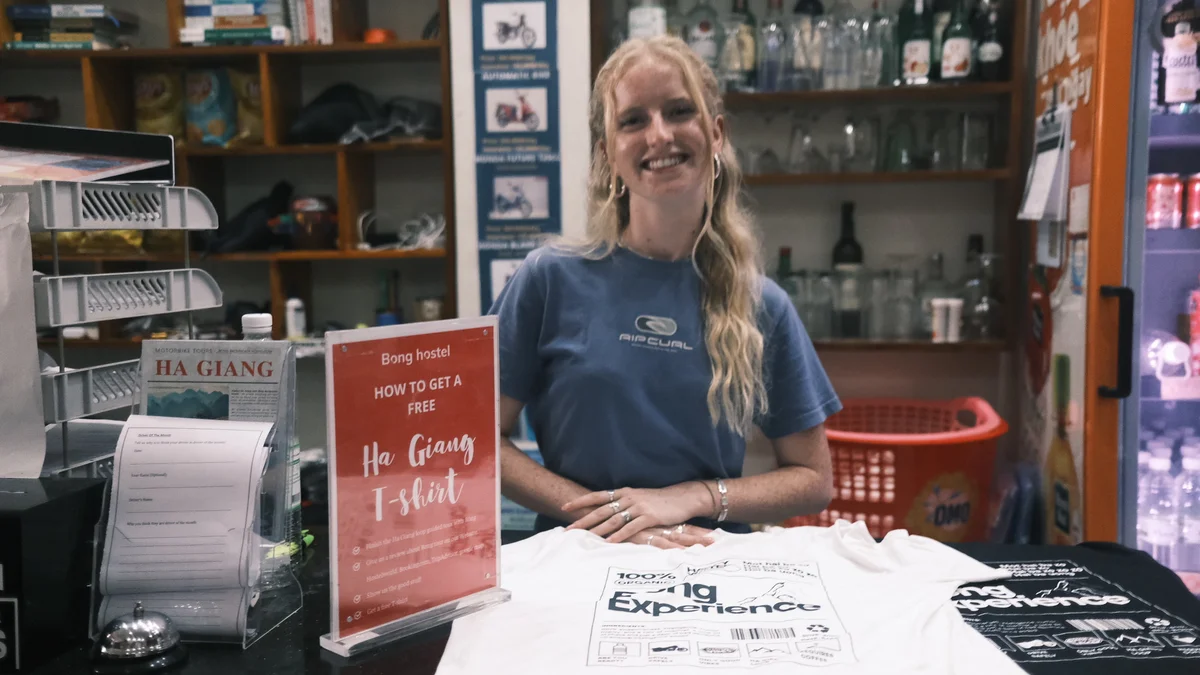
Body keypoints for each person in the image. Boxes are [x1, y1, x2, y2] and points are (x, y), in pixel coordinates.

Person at [489, 35, 841, 549]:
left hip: (711, 568)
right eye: (633, 120)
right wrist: (615, 522)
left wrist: (694, 496)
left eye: (679, 111)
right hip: (576, 564)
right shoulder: (548, 279)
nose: (659, 135)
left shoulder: (761, 304)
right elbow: (476, 440)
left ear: (716, 134)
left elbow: (813, 480)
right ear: (608, 152)